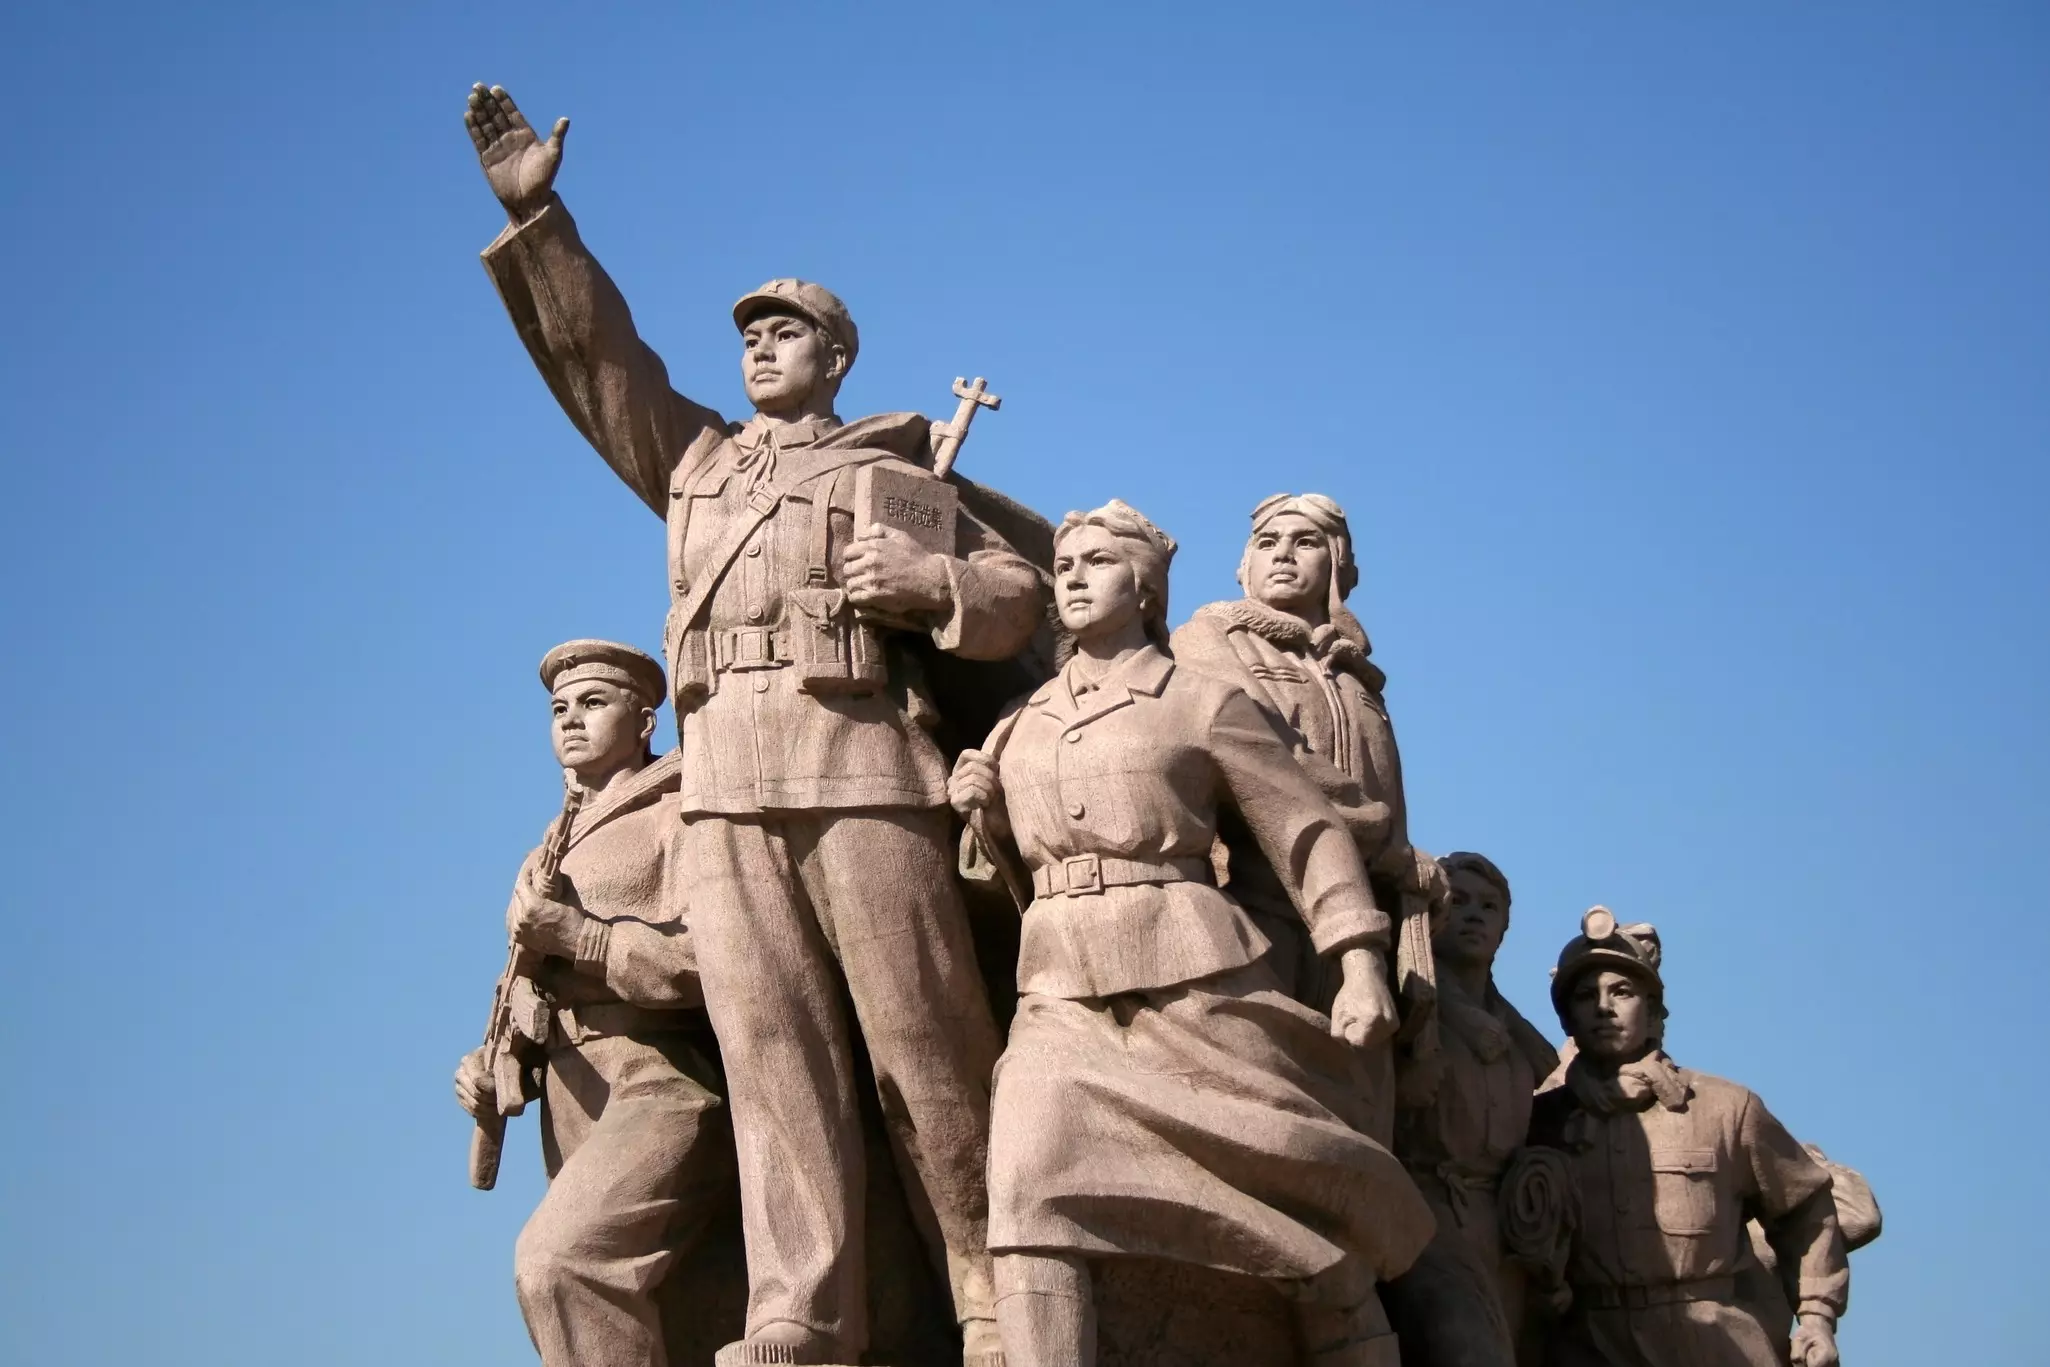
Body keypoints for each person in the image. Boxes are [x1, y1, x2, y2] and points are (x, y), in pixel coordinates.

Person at [465, 84, 1047, 1366]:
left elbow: (1017, 595)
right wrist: (544, 224)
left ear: (836, 358)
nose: (761, 348)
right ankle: (803, 1308)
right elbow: (602, 366)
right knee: (773, 1054)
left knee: (923, 1046)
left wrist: (932, 582)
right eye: (750, 335)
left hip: (861, 770)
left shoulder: (889, 470)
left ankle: (988, 1281)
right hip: (724, 787)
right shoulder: (697, 466)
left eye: (787, 332)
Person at [948, 500, 1434, 1367]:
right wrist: (987, 818)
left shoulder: (1202, 700)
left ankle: (1350, 1321)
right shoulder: (1022, 719)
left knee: (1294, 1183)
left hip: (1191, 976)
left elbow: (1305, 829)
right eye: (1065, 564)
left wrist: (1359, 959)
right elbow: (1009, 879)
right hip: (1057, 991)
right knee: (1025, 1192)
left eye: (1098, 561)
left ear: (1146, 589)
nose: (1074, 576)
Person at [453, 640, 733, 1367]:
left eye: (593, 702)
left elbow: (719, 959)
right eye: (558, 709)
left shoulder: (683, 812)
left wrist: (582, 936)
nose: (570, 721)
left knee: (559, 1263)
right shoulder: (545, 849)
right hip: (573, 1104)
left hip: (663, 1085)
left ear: (645, 722)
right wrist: (492, 1068)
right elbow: (520, 994)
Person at [1171, 493, 1440, 1141]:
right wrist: (1389, 844)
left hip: (1363, 921)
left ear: (1340, 566)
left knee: (1359, 1129)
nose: (1283, 555)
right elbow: (1275, 757)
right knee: (1265, 1115)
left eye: (1306, 541)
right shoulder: (1210, 640)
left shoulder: (1358, 679)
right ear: (1243, 566)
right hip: (1255, 908)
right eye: (1267, 543)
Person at [1528, 911, 1848, 1367]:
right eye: (1585, 996)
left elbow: (1805, 1207)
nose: (1604, 1007)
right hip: (1587, 1343)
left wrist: (1816, 1317)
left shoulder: (1726, 1109)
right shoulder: (1540, 1123)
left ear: (1653, 1011)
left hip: (1713, 1344)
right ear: (1566, 1020)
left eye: (1622, 992)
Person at [1382, 853, 1559, 1367]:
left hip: (1503, 1227)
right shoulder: (1409, 1008)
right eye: (1457, 902)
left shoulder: (1521, 1037)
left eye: (1489, 906)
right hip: (1426, 1207)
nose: (1474, 915)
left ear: (1504, 928)